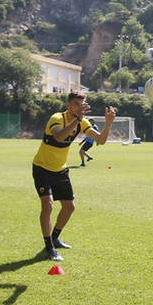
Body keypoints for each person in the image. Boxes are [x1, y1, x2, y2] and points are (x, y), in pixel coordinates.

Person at [32, 92, 116, 262]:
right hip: (42, 168)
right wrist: (77, 119)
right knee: (48, 205)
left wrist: (108, 124)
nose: (80, 107)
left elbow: (100, 140)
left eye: (82, 104)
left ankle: (55, 237)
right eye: (76, 104)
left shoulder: (82, 122)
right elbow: (59, 136)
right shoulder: (57, 118)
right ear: (68, 105)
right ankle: (49, 247)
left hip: (60, 169)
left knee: (69, 207)